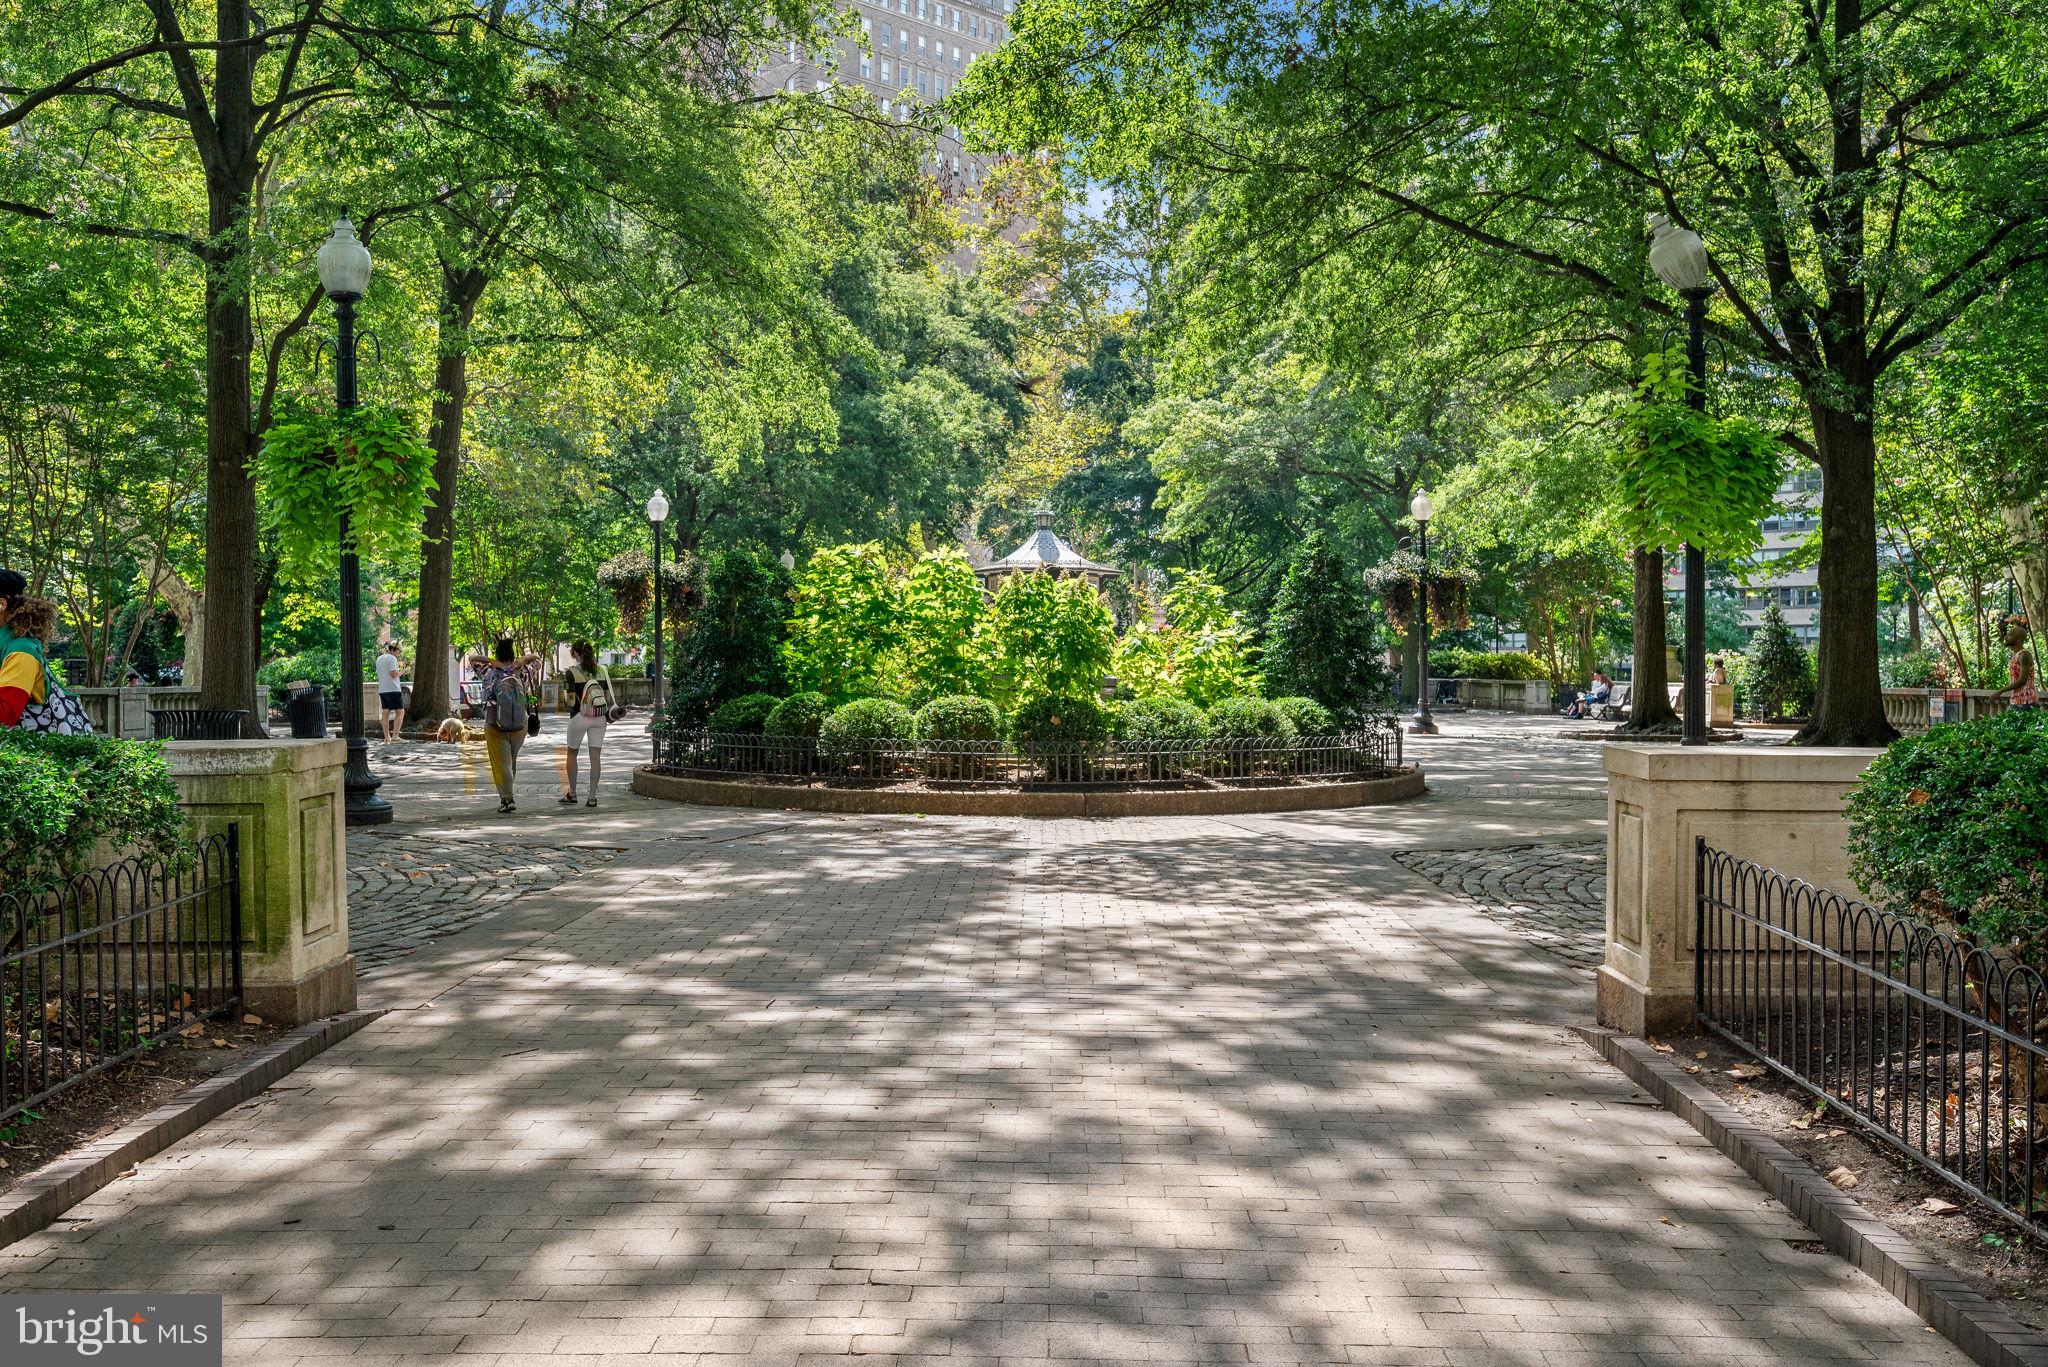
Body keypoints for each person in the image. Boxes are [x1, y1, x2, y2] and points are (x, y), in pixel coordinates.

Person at [472, 639, 539, 813]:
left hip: (495, 722)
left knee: (501, 762)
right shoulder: (522, 670)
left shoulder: (489, 670)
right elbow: (537, 659)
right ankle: (507, 794)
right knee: (511, 760)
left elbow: (473, 658)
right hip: (519, 723)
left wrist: (491, 661)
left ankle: (508, 799)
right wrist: (522, 660)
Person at [558, 640, 615, 807]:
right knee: (595, 757)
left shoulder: (572, 673)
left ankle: (573, 794)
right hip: (600, 717)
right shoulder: (602, 671)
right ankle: (592, 797)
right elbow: (607, 698)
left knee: (572, 753)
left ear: (575, 654)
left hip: (579, 717)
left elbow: (569, 703)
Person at [2004, 616, 2038, 711]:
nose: (2006, 637)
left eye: (2010, 636)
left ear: (2018, 639)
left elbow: (2022, 680)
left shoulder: (2024, 655)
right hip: (2016, 701)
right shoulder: (2015, 656)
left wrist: (2000, 691)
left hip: (2026, 701)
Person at [375, 640, 405, 742]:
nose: (398, 654)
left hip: (383, 689)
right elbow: (393, 674)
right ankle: (395, 736)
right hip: (393, 689)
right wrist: (403, 672)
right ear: (393, 649)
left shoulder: (379, 659)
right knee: (400, 712)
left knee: (386, 712)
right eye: (398, 651)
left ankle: (387, 737)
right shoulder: (392, 658)